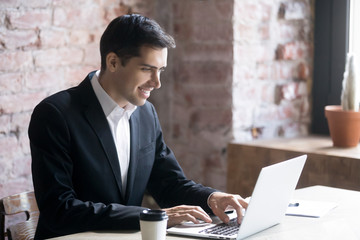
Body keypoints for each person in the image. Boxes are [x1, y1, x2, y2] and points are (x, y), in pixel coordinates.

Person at [28, 14, 248, 240]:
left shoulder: (146, 113)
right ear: (113, 62)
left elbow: (169, 183)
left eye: (160, 70)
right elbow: (59, 209)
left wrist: (212, 198)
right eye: (147, 69)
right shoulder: (55, 114)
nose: (157, 82)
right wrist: (152, 216)